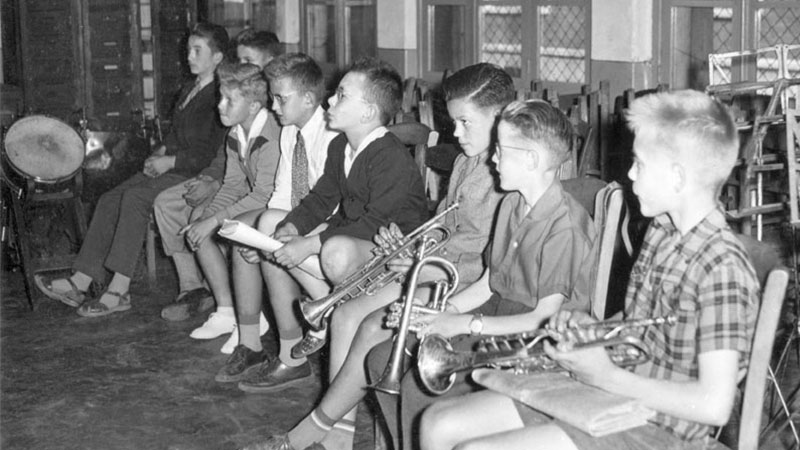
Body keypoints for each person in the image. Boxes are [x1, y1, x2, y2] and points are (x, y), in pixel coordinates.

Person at [420, 90, 760, 450]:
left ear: (677, 178)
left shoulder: (722, 267)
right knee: (438, 423)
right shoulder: (661, 230)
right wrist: (592, 330)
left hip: (659, 429)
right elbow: (640, 325)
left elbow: (714, 406)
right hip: (611, 398)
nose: (629, 174)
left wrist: (607, 375)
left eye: (640, 164)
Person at [239, 63, 514, 450]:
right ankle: (338, 439)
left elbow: (481, 255)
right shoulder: (471, 158)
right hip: (432, 265)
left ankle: (306, 436)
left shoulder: (504, 170)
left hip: (458, 281)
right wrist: (413, 249)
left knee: (369, 325)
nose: (455, 132)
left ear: (501, 118)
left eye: (465, 122)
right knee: (348, 314)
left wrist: (422, 260)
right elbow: (446, 222)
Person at [367, 99, 596, 450]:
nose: (493, 159)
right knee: (381, 359)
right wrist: (441, 314)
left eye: (502, 151)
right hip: (493, 320)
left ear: (532, 160)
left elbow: (544, 318)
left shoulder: (565, 226)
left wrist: (463, 325)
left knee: (419, 384)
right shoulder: (511, 203)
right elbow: (489, 282)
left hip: (533, 342)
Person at [228, 57, 428, 394]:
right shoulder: (341, 146)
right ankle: (323, 309)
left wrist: (308, 244)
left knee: (332, 250)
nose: (331, 100)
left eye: (343, 96)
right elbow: (320, 200)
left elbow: (374, 223)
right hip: (356, 240)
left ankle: (333, 304)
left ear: (367, 113)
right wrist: (290, 228)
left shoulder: (389, 155)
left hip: (391, 251)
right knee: (274, 225)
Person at [35, 22, 229, 317]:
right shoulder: (190, 90)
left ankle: (120, 289)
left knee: (135, 198)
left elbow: (211, 151)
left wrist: (171, 162)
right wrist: (159, 154)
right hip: (172, 165)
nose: (189, 56)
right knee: (109, 198)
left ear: (217, 57)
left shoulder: (220, 95)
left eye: (197, 50)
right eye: (189, 49)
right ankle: (80, 280)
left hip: (194, 171)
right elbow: (177, 135)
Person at [213, 52, 337, 372]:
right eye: (272, 98)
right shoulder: (289, 131)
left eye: (281, 99)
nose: (274, 107)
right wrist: (263, 239)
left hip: (333, 229)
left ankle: (291, 355)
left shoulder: (331, 136)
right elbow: (282, 194)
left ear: (308, 99)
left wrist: (274, 236)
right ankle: (251, 342)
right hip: (301, 222)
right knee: (252, 231)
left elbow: (337, 209)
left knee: (268, 225)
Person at [155, 29, 281, 324]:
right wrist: (206, 217)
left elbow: (263, 194)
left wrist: (212, 220)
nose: (218, 106)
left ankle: (247, 313)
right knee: (199, 215)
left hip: (273, 201)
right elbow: (233, 183)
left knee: (223, 225)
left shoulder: (270, 131)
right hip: (249, 195)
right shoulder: (236, 132)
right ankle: (225, 309)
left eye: (226, 100)